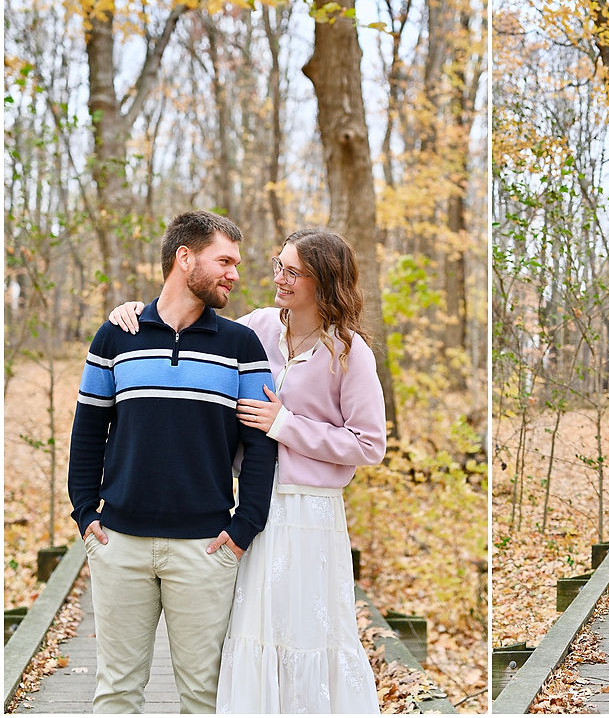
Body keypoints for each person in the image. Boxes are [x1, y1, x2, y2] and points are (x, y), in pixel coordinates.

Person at [109, 229, 386, 713]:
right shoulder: (257, 327)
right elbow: (191, 329)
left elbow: (369, 444)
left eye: (293, 272)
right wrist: (138, 312)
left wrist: (286, 425)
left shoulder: (349, 352)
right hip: (254, 507)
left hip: (310, 514)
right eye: (279, 265)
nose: (279, 278)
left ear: (324, 282)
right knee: (251, 632)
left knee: (306, 635)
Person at [67, 210, 279, 713]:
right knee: (116, 693)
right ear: (185, 258)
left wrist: (245, 527)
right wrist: (85, 512)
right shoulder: (116, 336)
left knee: (204, 698)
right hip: (119, 544)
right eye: (224, 261)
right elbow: (88, 430)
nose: (234, 274)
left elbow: (261, 444)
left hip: (205, 549)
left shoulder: (241, 345)